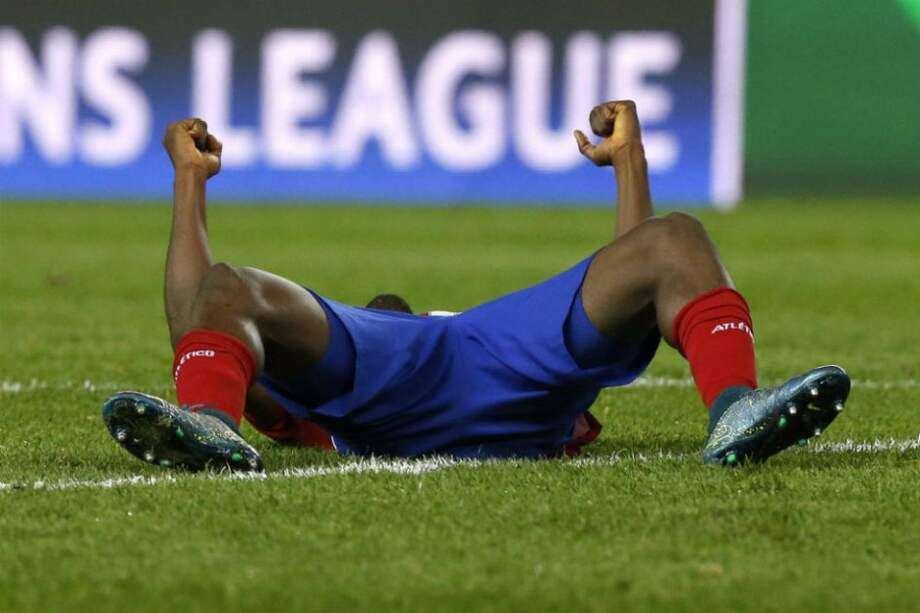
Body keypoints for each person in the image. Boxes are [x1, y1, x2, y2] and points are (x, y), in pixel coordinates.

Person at [102, 100, 850, 472]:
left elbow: (635, 284)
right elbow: (202, 313)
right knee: (229, 288)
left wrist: (630, 161)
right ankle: (207, 422)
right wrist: (189, 181)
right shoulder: (312, 402)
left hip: (490, 353)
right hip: (429, 375)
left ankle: (734, 410)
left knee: (677, 238)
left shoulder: (380, 357)